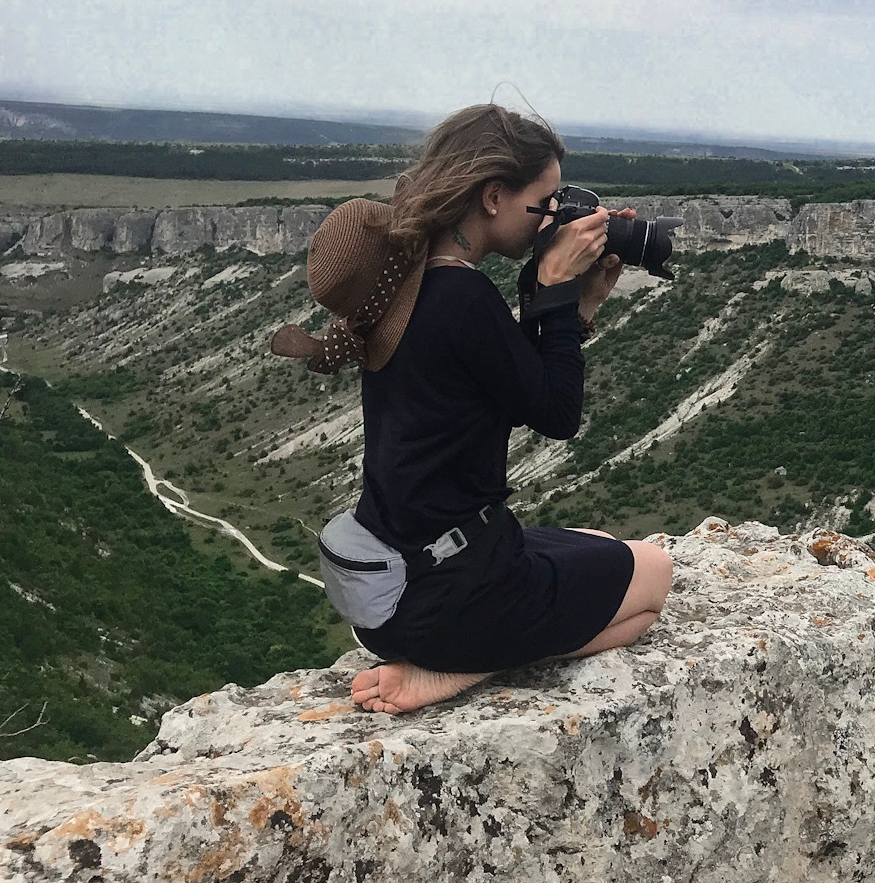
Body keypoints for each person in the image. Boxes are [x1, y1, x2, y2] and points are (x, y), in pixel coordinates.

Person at [270, 104, 673, 714]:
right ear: (492, 197)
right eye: (542, 204)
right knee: (655, 578)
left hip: (393, 591)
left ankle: (467, 648)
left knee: (596, 540)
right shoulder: (462, 298)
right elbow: (559, 417)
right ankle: (468, 668)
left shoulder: (414, 286)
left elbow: (516, 387)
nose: (548, 220)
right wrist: (556, 291)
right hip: (454, 602)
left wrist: (577, 301)